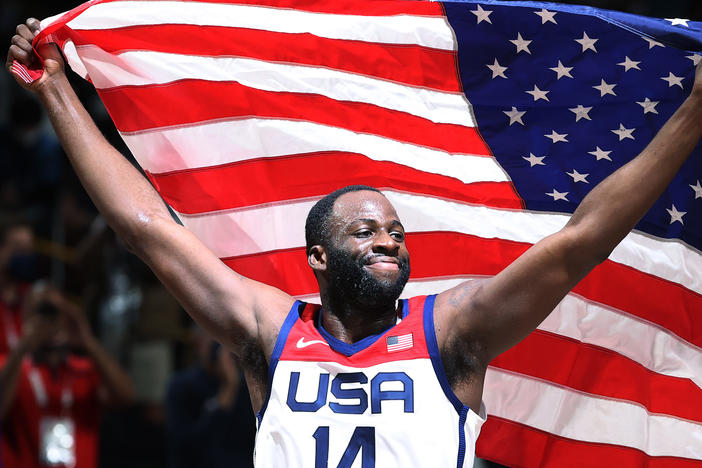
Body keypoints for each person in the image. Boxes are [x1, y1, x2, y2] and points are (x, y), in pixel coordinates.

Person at [6, 17, 702, 467]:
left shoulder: (452, 331)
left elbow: (582, 239)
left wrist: (692, 116)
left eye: (396, 233)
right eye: (364, 231)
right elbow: (147, 231)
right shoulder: (271, 329)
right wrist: (58, 94)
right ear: (318, 257)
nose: (389, 241)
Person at [0, 285, 135, 468]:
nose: (50, 320)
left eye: (56, 312)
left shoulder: (84, 369)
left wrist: (88, 341)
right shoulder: (11, 368)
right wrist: (24, 344)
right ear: (26, 317)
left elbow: (126, 397)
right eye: (42, 311)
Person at [165, 327, 255, 468]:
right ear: (197, 342)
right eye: (214, 341)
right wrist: (228, 388)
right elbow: (187, 448)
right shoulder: (182, 386)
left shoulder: (248, 387)